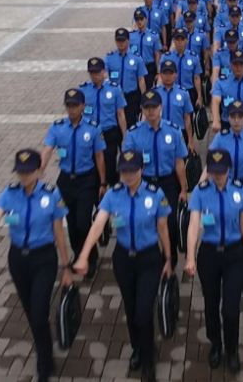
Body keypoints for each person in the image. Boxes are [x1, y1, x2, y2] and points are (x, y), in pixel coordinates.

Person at [0, 149, 73, 382]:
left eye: (28, 171)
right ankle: (45, 350)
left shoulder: (52, 194)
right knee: (32, 313)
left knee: (40, 312)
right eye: (20, 172)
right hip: (18, 260)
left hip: (44, 259)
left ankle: (44, 363)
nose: (23, 177)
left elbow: (59, 232)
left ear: (39, 169)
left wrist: (67, 266)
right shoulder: (9, 194)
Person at [74, 150, 171, 382]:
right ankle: (138, 348)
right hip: (123, 260)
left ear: (142, 170)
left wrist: (168, 258)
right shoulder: (112, 195)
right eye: (123, 171)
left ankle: (149, 359)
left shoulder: (156, 194)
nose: (127, 175)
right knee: (130, 306)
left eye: (132, 170)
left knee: (143, 312)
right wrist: (84, 255)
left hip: (149, 259)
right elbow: (98, 226)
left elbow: (163, 229)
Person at [184, 149, 243, 374]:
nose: (218, 176)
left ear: (229, 169)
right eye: (214, 171)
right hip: (209, 255)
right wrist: (189, 257)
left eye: (222, 171)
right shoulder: (200, 191)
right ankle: (215, 343)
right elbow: (194, 226)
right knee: (211, 304)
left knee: (231, 308)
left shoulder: (240, 189)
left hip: (235, 254)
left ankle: (232, 350)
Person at [41, 89, 106, 278]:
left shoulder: (93, 128)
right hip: (66, 181)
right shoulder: (57, 127)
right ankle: (79, 254)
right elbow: (47, 150)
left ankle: (90, 256)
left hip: (87, 180)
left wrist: (102, 182)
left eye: (75, 105)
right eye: (68, 105)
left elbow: (99, 156)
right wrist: (40, 169)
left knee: (83, 223)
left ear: (83, 106)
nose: (72, 109)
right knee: (71, 222)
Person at [123, 90, 188, 268]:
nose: (151, 111)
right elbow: (127, 164)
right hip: (144, 184)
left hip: (168, 183)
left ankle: (170, 257)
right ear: (142, 109)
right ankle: (150, 257)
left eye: (154, 107)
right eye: (147, 107)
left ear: (161, 107)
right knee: (146, 222)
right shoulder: (133, 134)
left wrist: (183, 189)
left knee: (171, 222)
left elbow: (179, 162)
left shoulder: (173, 131)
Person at [204, 101, 243, 223]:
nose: (237, 121)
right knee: (229, 221)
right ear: (228, 118)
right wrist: (202, 184)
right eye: (233, 117)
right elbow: (210, 163)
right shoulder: (221, 137)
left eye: (240, 116)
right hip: (226, 184)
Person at [79, 57, 127, 187]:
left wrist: (124, 135)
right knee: (92, 165)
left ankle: (111, 190)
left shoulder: (114, 89)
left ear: (104, 71)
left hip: (109, 132)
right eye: (92, 73)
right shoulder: (83, 90)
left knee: (110, 164)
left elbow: (120, 113)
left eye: (97, 72)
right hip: (90, 133)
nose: (95, 75)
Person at [106, 28, 147, 126]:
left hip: (131, 98)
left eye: (123, 40)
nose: (121, 43)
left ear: (128, 40)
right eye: (118, 40)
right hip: (115, 97)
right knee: (115, 125)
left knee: (131, 124)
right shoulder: (109, 58)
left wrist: (144, 98)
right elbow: (105, 77)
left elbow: (141, 80)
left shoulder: (136, 58)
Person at [154, 60, 195, 149]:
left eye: (170, 73)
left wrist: (190, 141)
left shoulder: (184, 93)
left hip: (178, 134)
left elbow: (187, 118)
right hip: (160, 133)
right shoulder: (155, 94)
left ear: (176, 75)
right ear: (160, 75)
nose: (167, 76)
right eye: (165, 73)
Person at [160, 28, 204, 108]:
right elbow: (161, 76)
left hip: (189, 91)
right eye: (177, 39)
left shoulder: (193, 57)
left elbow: (196, 77)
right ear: (173, 40)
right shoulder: (166, 57)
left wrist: (199, 96)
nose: (179, 42)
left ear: (186, 41)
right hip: (171, 90)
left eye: (182, 39)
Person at [130, 6, 163, 91]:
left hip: (148, 67)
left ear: (146, 20)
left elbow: (157, 55)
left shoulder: (153, 36)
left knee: (148, 91)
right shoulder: (131, 36)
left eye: (141, 19)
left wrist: (158, 71)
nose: (139, 22)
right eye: (137, 20)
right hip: (135, 67)